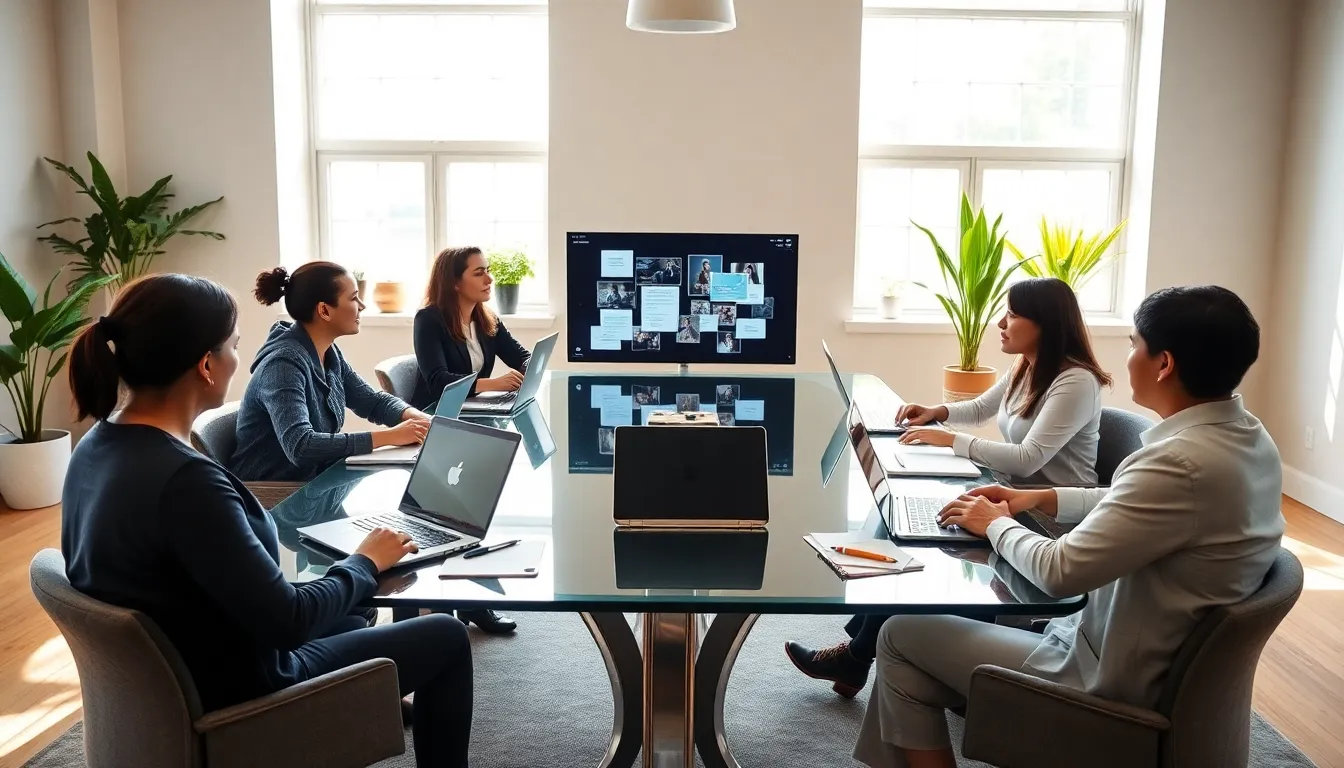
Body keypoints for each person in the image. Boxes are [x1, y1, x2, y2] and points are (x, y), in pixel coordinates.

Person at [851, 285, 1283, 768]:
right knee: (918, 659)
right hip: (1134, 652)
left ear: (1163, 364)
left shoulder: (1177, 462)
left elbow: (1059, 572)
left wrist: (994, 524)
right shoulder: (1247, 440)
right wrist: (1037, 496)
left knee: (899, 635)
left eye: (1135, 344)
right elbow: (1131, 500)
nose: (1128, 357)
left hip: (1102, 679)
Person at [62, 274, 473, 767]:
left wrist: (357, 575)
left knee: (348, 611)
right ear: (207, 365)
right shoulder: (187, 483)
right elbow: (288, 622)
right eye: (235, 346)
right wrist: (364, 564)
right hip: (245, 689)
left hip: (182, 670)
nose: (242, 360)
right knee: (446, 637)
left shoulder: (94, 449)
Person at [785, 277, 1113, 697]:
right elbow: (981, 407)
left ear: (1045, 324)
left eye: (1012, 315)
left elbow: (1030, 458)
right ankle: (858, 653)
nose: (1001, 322)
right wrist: (937, 411)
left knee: (922, 538)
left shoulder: (1075, 382)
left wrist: (950, 440)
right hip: (1004, 497)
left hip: (1046, 519)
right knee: (896, 520)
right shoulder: (1027, 365)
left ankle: (856, 657)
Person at [412, 246, 526, 635]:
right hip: (438, 428)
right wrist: (491, 384)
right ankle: (469, 602)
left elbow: (520, 355)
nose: (489, 278)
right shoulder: (429, 320)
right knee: (467, 510)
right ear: (455, 281)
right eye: (479, 273)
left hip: (475, 423)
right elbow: (437, 380)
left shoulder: (486, 318)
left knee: (479, 506)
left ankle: (472, 599)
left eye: (488, 270)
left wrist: (531, 368)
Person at [230, 263, 430, 483]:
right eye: (354, 298)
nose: (361, 306)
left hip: (315, 483)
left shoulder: (328, 352)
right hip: (274, 495)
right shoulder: (282, 365)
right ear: (324, 310)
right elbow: (301, 446)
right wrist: (391, 436)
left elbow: (371, 402)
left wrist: (419, 418)